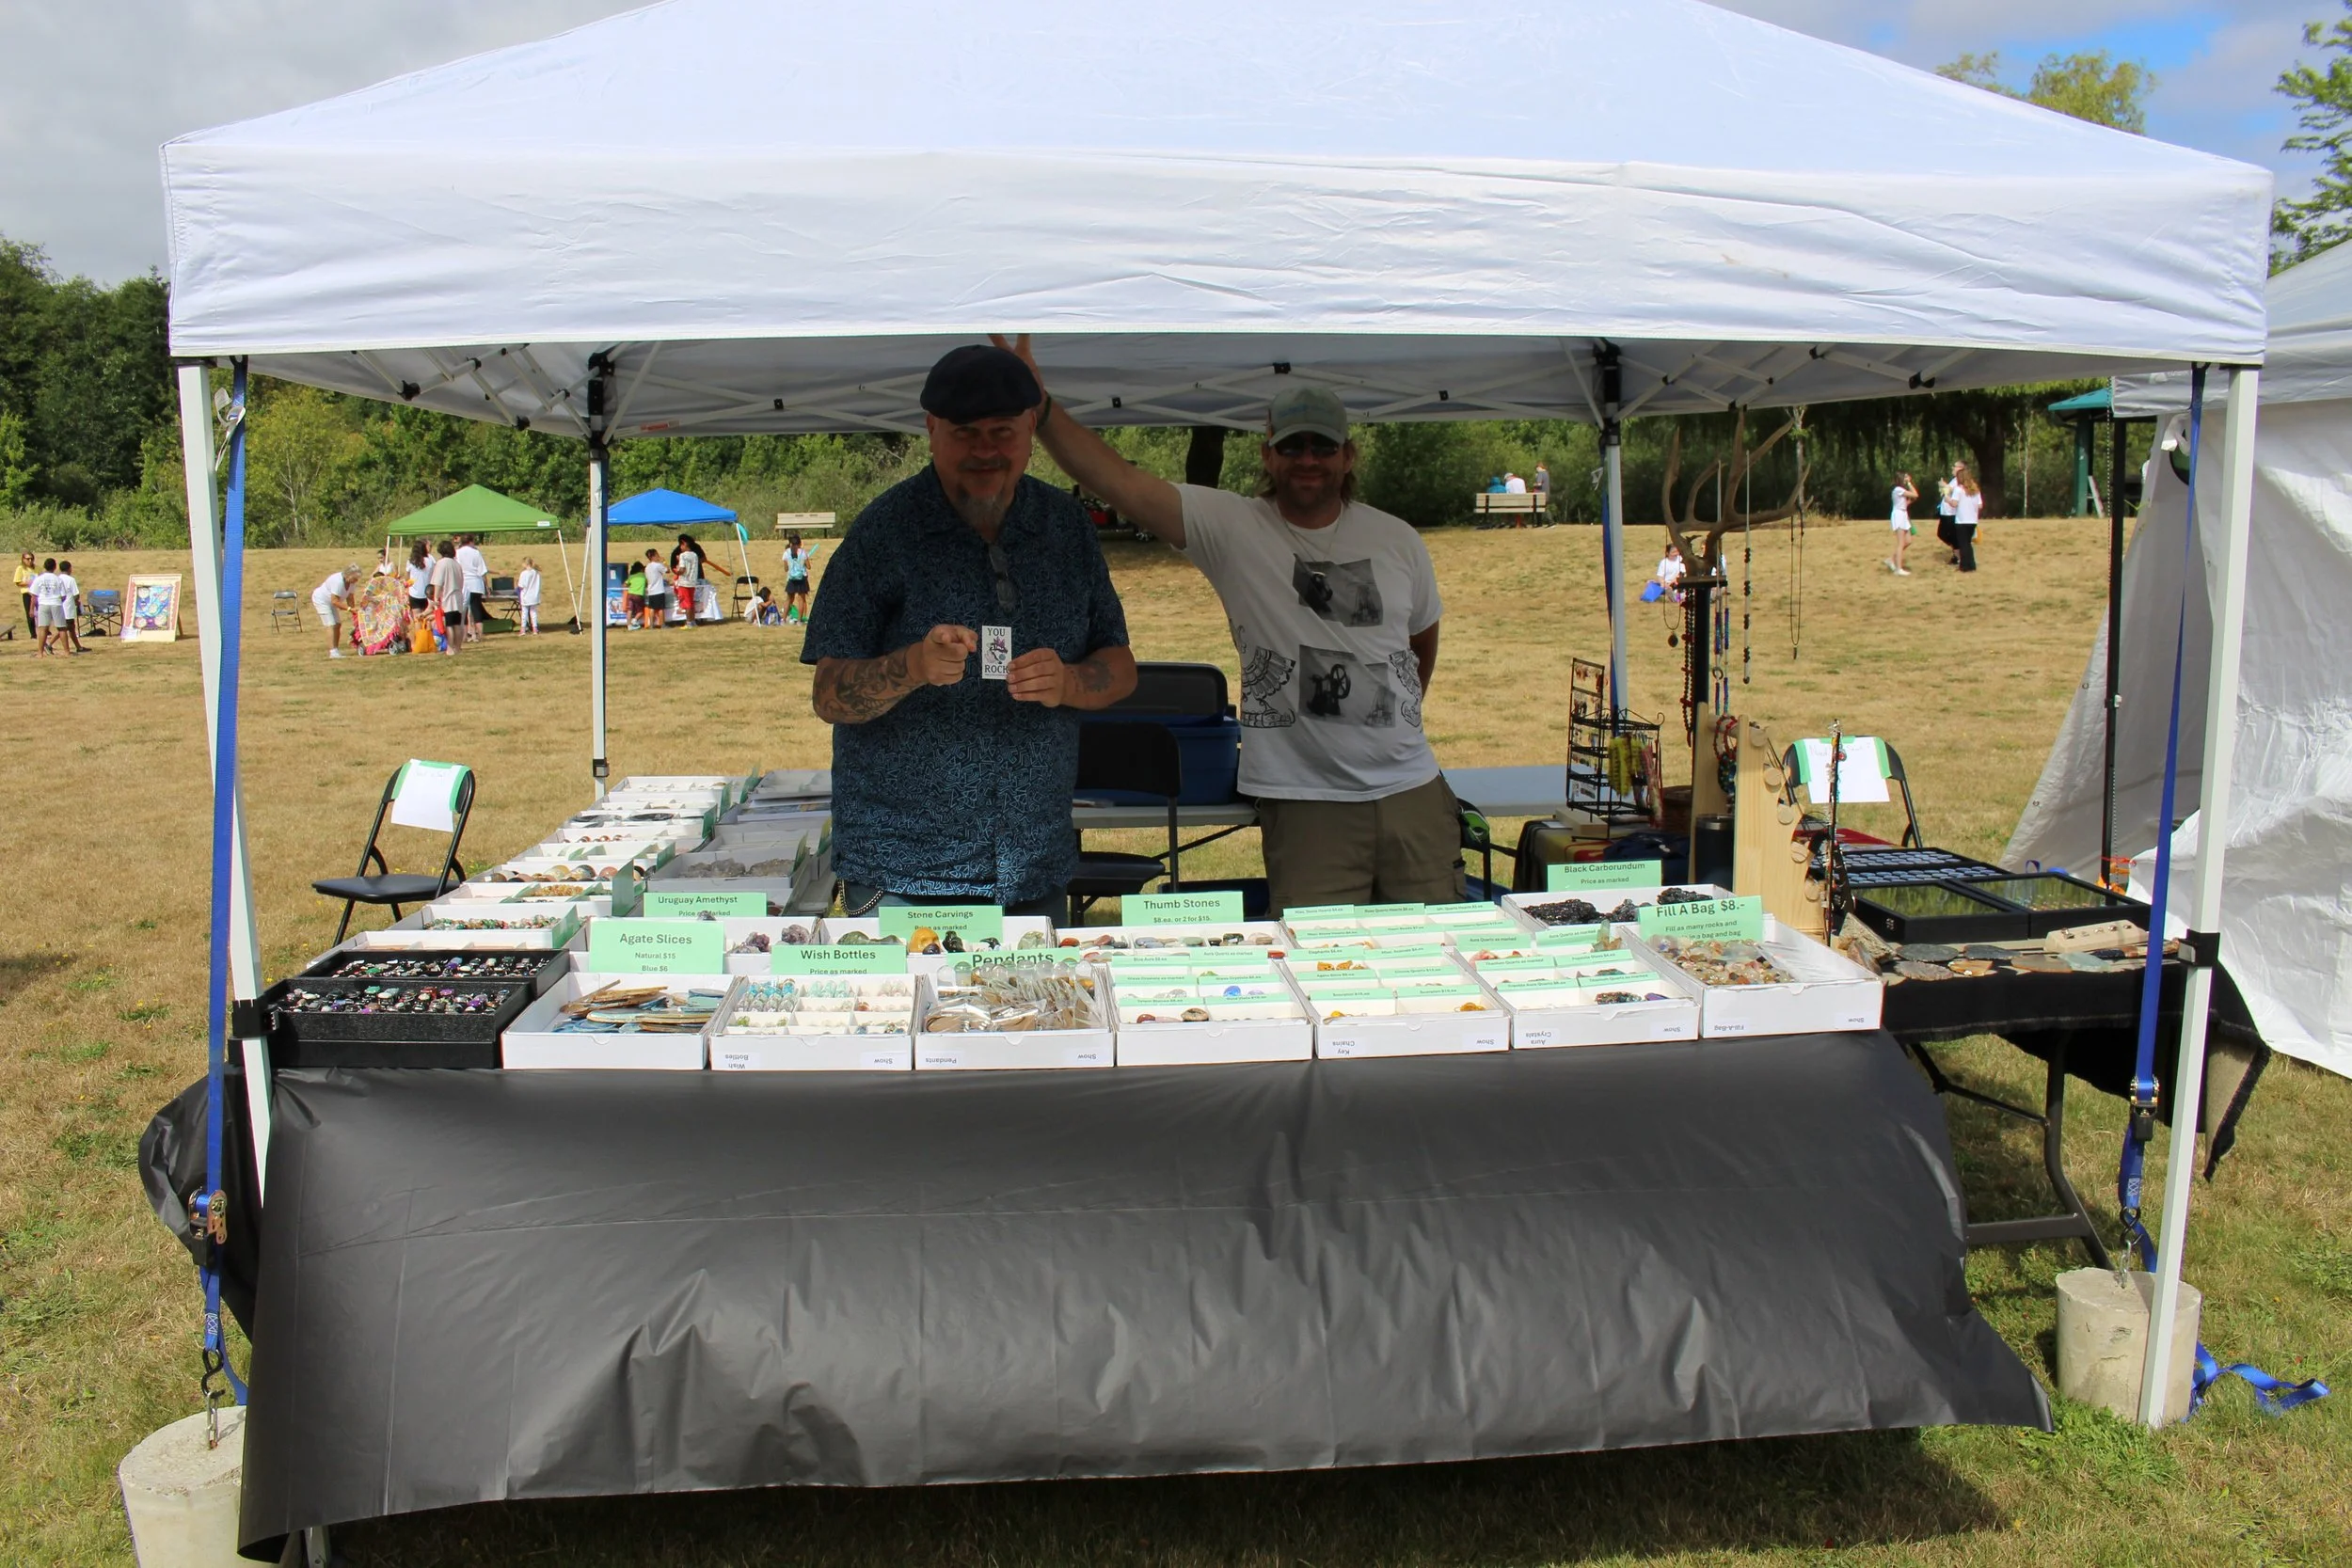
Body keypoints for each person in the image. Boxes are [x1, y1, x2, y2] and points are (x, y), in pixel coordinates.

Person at [1002, 334, 1456, 912]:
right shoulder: (1233, 528)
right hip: (1306, 802)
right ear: (1268, 455)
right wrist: (1040, 409)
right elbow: (1118, 481)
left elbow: (1421, 640)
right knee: (1317, 969)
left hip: (1411, 792)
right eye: (1293, 448)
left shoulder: (1398, 540)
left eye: (1323, 447)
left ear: (1348, 455)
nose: (1309, 460)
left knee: (1436, 956)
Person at [804, 342, 1136, 921]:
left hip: (1033, 861)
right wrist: (910, 666)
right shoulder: (885, 532)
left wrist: (1069, 682)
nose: (986, 450)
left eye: (1002, 431)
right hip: (904, 869)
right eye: (965, 433)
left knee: (1037, 1014)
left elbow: (1122, 666)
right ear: (931, 429)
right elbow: (829, 694)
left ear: (1031, 426)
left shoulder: (1065, 528)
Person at [312, 562, 359, 659]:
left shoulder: (351, 583)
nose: (356, 581)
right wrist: (349, 609)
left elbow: (350, 597)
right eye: (354, 578)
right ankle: (332, 652)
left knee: (338, 624)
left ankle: (336, 650)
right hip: (322, 600)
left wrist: (353, 611)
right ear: (348, 575)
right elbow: (334, 601)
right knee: (331, 624)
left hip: (332, 602)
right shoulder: (337, 581)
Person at [429, 539, 465, 656]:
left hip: (448, 597)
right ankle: (458, 647)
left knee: (449, 624)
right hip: (458, 596)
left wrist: (435, 597)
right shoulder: (456, 564)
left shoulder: (441, 563)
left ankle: (450, 648)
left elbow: (438, 582)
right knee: (457, 624)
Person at [455, 533, 488, 643]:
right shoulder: (476, 552)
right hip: (476, 583)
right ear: (470, 542)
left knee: (463, 610)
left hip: (463, 583)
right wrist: (486, 586)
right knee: (476, 609)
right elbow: (482, 571)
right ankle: (480, 635)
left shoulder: (457, 552)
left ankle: (464, 636)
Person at [1951, 463, 1984, 572]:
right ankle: (1971, 564)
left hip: (1961, 521)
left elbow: (1954, 504)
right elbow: (1980, 505)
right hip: (1972, 520)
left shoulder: (1958, 490)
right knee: (1968, 543)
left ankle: (1965, 566)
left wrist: (1947, 498)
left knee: (1963, 544)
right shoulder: (1975, 490)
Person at [1886, 472, 1919, 575]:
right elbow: (1915, 494)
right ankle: (1898, 569)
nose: (1906, 479)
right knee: (1901, 543)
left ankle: (1891, 559)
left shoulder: (1900, 491)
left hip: (1903, 514)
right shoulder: (1898, 490)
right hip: (1899, 515)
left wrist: (1911, 501)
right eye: (1904, 478)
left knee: (1908, 541)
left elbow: (1906, 503)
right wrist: (1909, 483)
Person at [781, 531, 817, 624]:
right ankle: (800, 621)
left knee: (789, 599)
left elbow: (785, 568)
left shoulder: (786, 553)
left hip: (791, 578)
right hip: (801, 578)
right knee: (801, 599)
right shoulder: (803, 553)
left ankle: (783, 619)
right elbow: (809, 566)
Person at [670, 534, 704, 626]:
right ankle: (693, 621)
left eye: (681, 545)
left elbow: (682, 569)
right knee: (691, 602)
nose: (680, 547)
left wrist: (677, 572)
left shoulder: (682, 556)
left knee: (686, 603)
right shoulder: (695, 555)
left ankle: (688, 622)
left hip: (684, 582)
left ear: (684, 544)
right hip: (692, 582)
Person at [55, 560, 85, 655]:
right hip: (68, 606)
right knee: (65, 627)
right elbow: (76, 594)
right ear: (69, 568)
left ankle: (78, 647)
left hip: (59, 606)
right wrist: (77, 603)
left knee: (71, 627)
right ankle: (49, 644)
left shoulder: (57, 579)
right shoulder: (71, 580)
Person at [1935, 465, 1961, 562]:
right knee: (1941, 534)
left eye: (1955, 466)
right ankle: (1957, 552)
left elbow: (1952, 490)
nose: (1952, 468)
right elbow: (1946, 491)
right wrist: (1943, 487)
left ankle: (1958, 555)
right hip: (1945, 512)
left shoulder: (1959, 481)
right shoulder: (1954, 480)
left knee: (1950, 535)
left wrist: (1944, 485)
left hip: (1951, 513)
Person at [640, 548, 670, 629]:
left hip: (651, 590)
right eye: (657, 555)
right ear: (653, 556)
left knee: (652, 608)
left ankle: (652, 625)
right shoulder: (658, 565)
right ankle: (663, 624)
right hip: (659, 590)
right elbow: (668, 570)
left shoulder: (647, 567)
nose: (658, 556)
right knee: (661, 608)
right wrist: (664, 562)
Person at [405, 542, 432, 619]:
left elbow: (407, 578)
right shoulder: (430, 561)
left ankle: (419, 631)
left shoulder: (410, 561)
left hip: (414, 594)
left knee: (417, 619)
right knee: (427, 618)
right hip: (428, 593)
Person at [516, 558, 542, 634]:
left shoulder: (524, 573)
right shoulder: (536, 573)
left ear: (525, 564)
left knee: (524, 612)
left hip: (526, 596)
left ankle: (523, 629)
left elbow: (521, 586)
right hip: (534, 596)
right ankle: (535, 628)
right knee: (533, 612)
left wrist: (516, 585)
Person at [15, 550, 35, 640]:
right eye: (28, 559)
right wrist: (28, 583)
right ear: (23, 559)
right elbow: (18, 582)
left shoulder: (36, 568)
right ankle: (33, 633)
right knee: (29, 613)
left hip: (37, 593)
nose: (30, 560)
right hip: (27, 593)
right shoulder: (20, 569)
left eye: (31, 559)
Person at [623, 560, 647, 629]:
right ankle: (635, 620)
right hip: (639, 595)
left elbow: (625, 584)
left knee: (630, 610)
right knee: (641, 611)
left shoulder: (632, 576)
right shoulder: (643, 576)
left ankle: (629, 625)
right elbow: (646, 584)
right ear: (641, 569)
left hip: (630, 594)